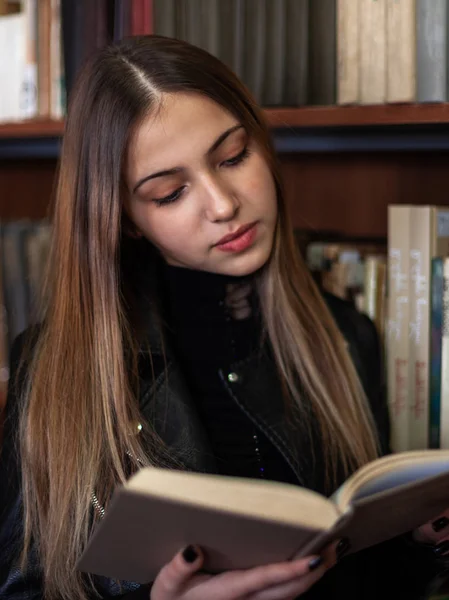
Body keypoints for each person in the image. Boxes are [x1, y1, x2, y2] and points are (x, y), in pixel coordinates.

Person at [0, 35, 448, 600]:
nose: (222, 204)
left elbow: (368, 575)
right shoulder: (55, 369)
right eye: (168, 193)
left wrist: (418, 541)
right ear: (128, 219)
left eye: (234, 156)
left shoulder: (344, 334)